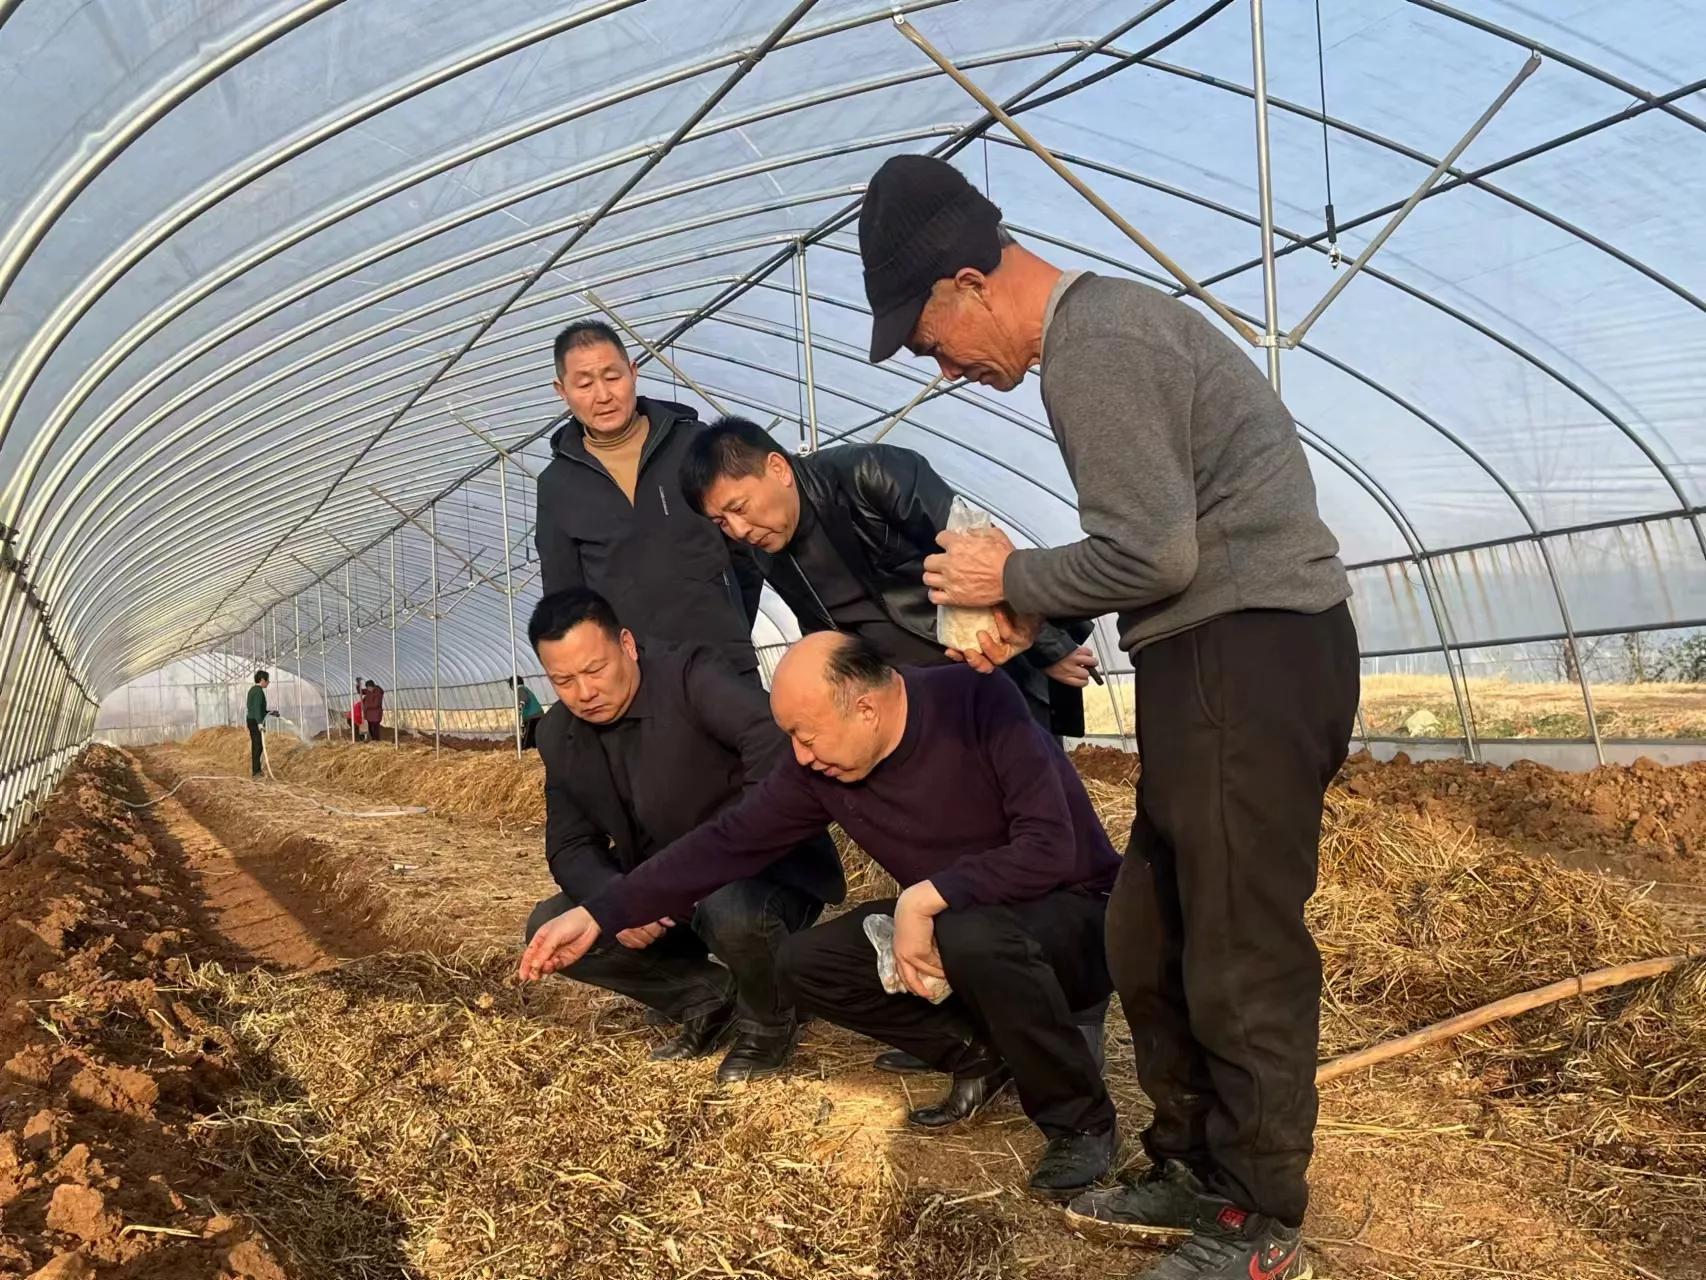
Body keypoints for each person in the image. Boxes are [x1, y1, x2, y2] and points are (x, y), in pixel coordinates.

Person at [859, 154, 1359, 1279]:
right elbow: (1146, 552)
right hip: (1206, 655)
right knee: (1151, 925)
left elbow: (1152, 550)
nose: (939, 367)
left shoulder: (1097, 341)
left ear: (969, 282)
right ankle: (1185, 1155)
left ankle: (1255, 1209)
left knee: (1236, 939)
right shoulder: (1093, 345)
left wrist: (1010, 577)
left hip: (1254, 644)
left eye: (929, 338)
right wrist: (1019, 605)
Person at [521, 632, 1122, 1202]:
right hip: (959, 918)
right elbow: (724, 841)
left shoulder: (977, 700)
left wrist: (925, 896)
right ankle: (980, 1054)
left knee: (969, 930)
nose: (801, 756)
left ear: (866, 709)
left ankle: (1081, 1124)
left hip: (1074, 915)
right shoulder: (820, 769)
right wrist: (603, 912)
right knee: (803, 963)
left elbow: (1051, 847)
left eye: (807, 736)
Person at [521, 589, 843, 1083]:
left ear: (626, 644)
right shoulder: (557, 735)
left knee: (730, 909)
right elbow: (568, 846)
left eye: (595, 670)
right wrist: (616, 899)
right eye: (563, 680)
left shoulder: (692, 677)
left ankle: (768, 1022)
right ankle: (708, 999)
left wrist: (721, 855)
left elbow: (771, 743)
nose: (584, 692)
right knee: (551, 924)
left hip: (756, 871)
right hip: (656, 892)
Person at [678, 416, 1100, 737]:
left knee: (1036, 795)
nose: (738, 529)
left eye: (738, 507)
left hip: (985, 665)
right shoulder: (766, 552)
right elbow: (823, 633)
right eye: (720, 522)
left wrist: (1050, 647)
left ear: (778, 469)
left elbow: (981, 553)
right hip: (908, 700)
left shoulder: (871, 474)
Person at [536, 319, 765, 680]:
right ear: (561, 390)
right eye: (584, 384)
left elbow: (747, 548)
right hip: (635, 680)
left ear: (633, 372)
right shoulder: (557, 485)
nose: (603, 395)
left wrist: (731, 628)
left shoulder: (693, 445)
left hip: (724, 665)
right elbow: (566, 597)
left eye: (612, 377)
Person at [244, 670, 277, 777]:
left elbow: (257, 708)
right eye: (267, 680)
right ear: (262, 680)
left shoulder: (253, 690)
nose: (268, 682)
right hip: (255, 721)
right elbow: (257, 708)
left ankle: (257, 770)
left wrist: (271, 712)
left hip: (252, 720)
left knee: (257, 745)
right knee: (258, 746)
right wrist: (259, 723)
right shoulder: (258, 691)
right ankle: (256, 771)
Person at [510, 676, 544, 749]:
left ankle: (525, 748)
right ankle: (535, 747)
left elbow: (524, 698)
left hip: (532, 716)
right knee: (535, 734)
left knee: (528, 734)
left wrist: (520, 705)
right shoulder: (525, 689)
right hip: (538, 714)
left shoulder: (520, 689)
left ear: (513, 685)